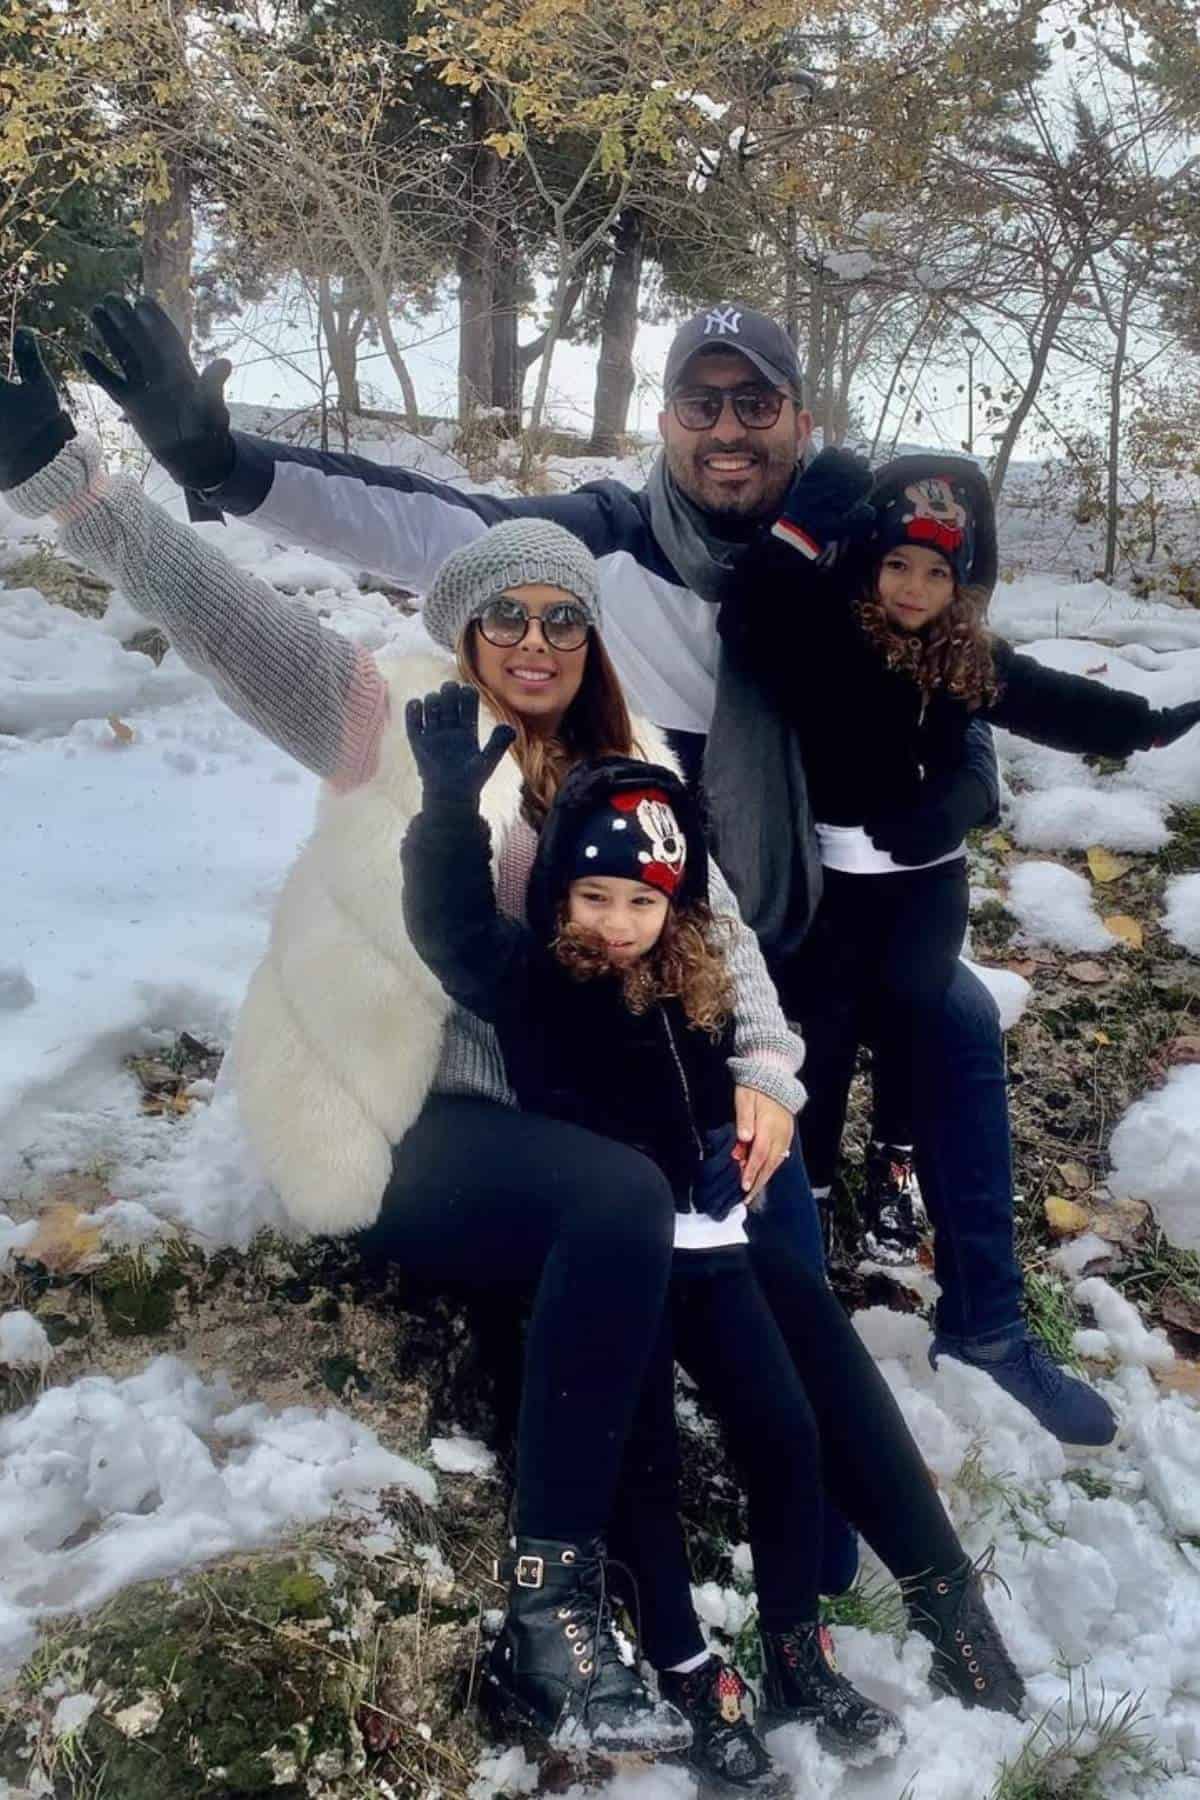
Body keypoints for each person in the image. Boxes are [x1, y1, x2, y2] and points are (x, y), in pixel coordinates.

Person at [61, 293, 1108, 1443]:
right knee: (715, 1126)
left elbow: (958, 671)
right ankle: (751, 1365)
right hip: (649, 920)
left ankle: (989, 1327)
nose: (728, 430)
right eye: (701, 403)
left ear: (799, 420)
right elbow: (431, 526)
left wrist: (966, 788)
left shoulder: (851, 559)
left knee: (952, 1014)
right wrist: (224, 462)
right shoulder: (606, 546)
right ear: (664, 420)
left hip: (809, 909)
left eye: (755, 403)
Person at [399, 701, 1024, 1783]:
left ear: (674, 903)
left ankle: (794, 1654)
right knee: (639, 1464)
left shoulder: (691, 973)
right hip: (623, 1260)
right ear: (557, 895)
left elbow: (761, 1032)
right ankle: (691, 1675)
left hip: (714, 1244)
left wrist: (742, 1126)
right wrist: (446, 808)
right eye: (591, 897)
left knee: (783, 1436)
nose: (613, 923)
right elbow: (454, 927)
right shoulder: (540, 979)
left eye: (638, 901)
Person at [722, 454, 1200, 1429]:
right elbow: (754, 618)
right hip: (829, 886)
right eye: (900, 566)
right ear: (871, 561)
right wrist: (801, 527)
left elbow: (1043, 697)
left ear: (964, 585)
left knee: (919, 1009)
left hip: (926, 885)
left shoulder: (962, 656)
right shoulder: (829, 632)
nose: (915, 591)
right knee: (819, 1023)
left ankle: (896, 1168)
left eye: (940, 575)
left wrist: (1145, 727)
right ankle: (804, 1206)